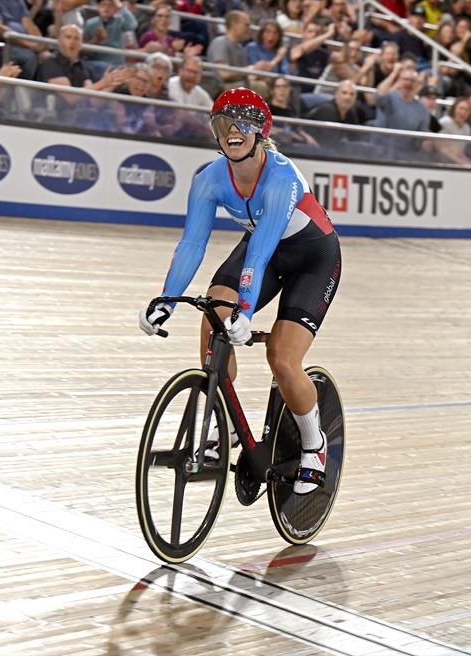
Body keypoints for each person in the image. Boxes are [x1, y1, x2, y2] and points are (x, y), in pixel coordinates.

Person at [138, 88, 341, 495]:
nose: (232, 131)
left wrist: (246, 311)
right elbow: (192, 245)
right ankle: (221, 420)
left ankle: (314, 444)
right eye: (223, 125)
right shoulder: (209, 179)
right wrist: (166, 300)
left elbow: (262, 249)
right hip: (262, 251)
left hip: (311, 258)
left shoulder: (280, 178)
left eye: (242, 124)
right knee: (213, 309)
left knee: (281, 359)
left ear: (260, 132)